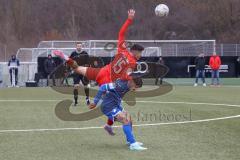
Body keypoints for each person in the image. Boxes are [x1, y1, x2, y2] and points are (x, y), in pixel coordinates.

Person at [54, 9, 144, 130]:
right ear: (136, 52)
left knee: (76, 68)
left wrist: (129, 19)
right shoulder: (133, 62)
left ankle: (65, 57)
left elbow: (121, 33)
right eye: (140, 53)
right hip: (107, 81)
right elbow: (127, 75)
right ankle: (111, 124)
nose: (141, 56)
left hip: (100, 72)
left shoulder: (122, 50)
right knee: (116, 106)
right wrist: (132, 81)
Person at [89, 78, 147, 151]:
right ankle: (133, 144)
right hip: (108, 106)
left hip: (115, 104)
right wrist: (95, 102)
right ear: (131, 82)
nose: (136, 89)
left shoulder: (128, 84)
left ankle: (129, 140)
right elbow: (103, 87)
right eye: (135, 86)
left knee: (129, 119)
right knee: (125, 120)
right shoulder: (120, 85)